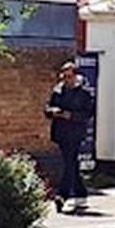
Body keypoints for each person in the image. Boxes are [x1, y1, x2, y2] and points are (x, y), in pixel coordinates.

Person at [45, 61, 95, 214]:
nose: (66, 79)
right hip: (60, 132)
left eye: (69, 76)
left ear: (76, 76)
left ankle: (62, 195)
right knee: (71, 162)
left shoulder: (84, 93)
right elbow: (47, 108)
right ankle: (80, 193)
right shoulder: (58, 91)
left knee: (68, 162)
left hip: (75, 132)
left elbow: (88, 114)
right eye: (64, 76)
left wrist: (71, 115)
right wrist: (53, 111)